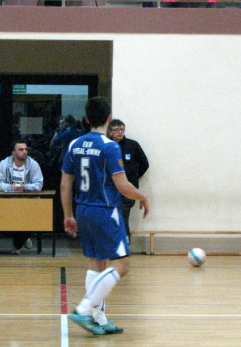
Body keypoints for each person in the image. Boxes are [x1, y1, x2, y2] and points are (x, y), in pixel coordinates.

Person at [62, 97, 149, 335]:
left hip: (83, 209)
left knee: (96, 263)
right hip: (106, 211)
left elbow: (65, 182)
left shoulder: (74, 145)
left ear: (87, 119)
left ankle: (98, 318)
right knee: (121, 265)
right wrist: (142, 196)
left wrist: (68, 214)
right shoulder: (110, 146)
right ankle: (84, 309)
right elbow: (122, 185)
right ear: (109, 119)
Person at [0, 139, 44, 254]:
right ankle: (22, 240)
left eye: (26, 149)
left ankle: (17, 245)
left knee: (31, 218)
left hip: (29, 203)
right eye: (21, 149)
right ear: (13, 152)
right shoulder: (4, 164)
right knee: (3, 221)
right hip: (8, 203)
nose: (25, 152)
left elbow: (39, 185)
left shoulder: (33, 165)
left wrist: (25, 187)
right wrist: (10, 188)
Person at [108, 119, 149, 242]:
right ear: (110, 131)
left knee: (122, 215)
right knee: (112, 216)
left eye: (122, 129)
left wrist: (133, 178)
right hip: (110, 189)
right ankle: (113, 243)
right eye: (116, 130)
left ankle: (125, 243)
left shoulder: (133, 145)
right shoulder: (106, 146)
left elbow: (144, 164)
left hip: (128, 190)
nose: (120, 132)